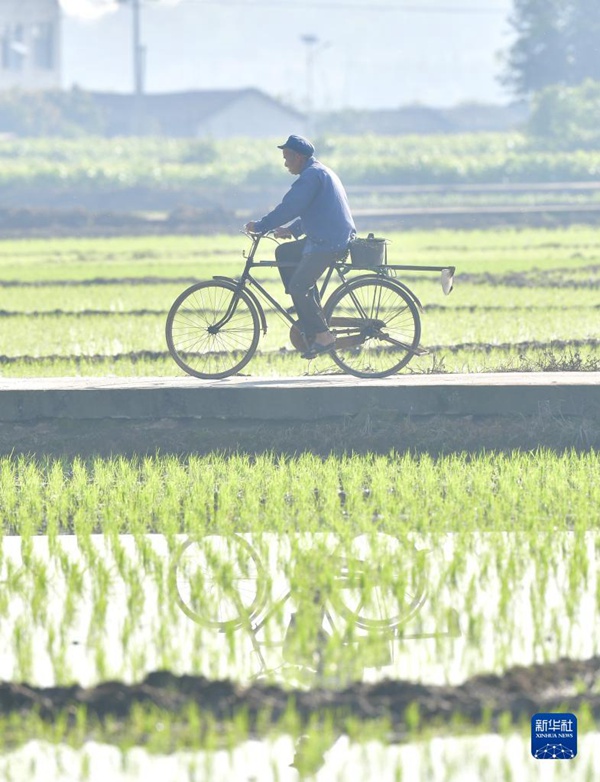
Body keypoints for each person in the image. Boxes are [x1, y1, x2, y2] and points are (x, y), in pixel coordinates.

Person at [245, 134, 356, 359]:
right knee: (283, 252)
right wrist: (293, 231)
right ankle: (308, 310)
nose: (285, 163)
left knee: (298, 286)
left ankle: (322, 335)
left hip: (328, 241)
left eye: (287, 158)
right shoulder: (318, 172)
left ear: (298, 157)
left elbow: (291, 206)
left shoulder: (311, 176)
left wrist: (261, 225)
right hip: (326, 234)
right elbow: (316, 210)